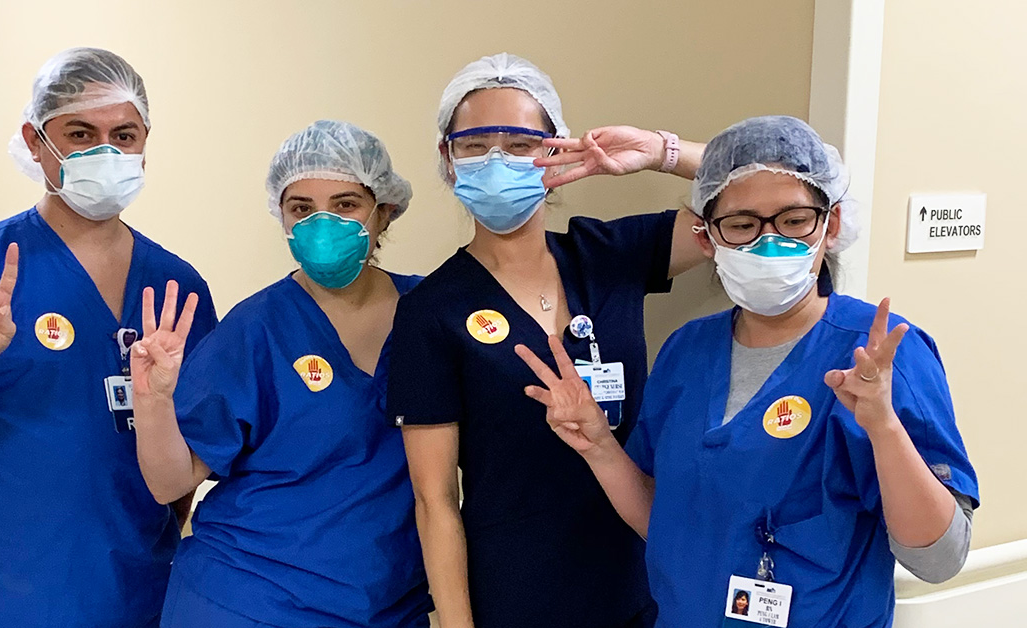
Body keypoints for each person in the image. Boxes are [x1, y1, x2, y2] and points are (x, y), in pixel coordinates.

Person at [515, 116, 978, 627]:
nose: (768, 242)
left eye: (794, 219)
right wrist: (599, 446)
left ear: (832, 225)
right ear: (708, 239)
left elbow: (938, 558)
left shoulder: (880, 354)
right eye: (741, 225)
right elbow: (666, 522)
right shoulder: (686, 352)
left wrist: (884, 429)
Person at [0, 47, 217, 627]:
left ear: (145, 141)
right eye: (81, 133)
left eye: (125, 135)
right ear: (36, 142)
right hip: (12, 588)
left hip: (140, 585)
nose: (107, 151)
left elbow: (190, 451)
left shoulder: (178, 287)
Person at [386, 52, 707, 628]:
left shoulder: (609, 257)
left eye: (519, 143)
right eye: (476, 144)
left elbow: (758, 197)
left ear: (556, 149)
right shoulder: (431, 312)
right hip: (516, 593)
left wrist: (662, 153)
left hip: (640, 581)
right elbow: (435, 503)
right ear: (447, 158)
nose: (497, 161)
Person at [131, 120, 433, 627]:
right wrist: (154, 401)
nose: (323, 225)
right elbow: (171, 484)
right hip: (248, 600)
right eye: (302, 209)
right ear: (283, 218)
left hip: (384, 603)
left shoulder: (429, 312)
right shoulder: (256, 328)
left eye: (345, 204)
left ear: (384, 211)